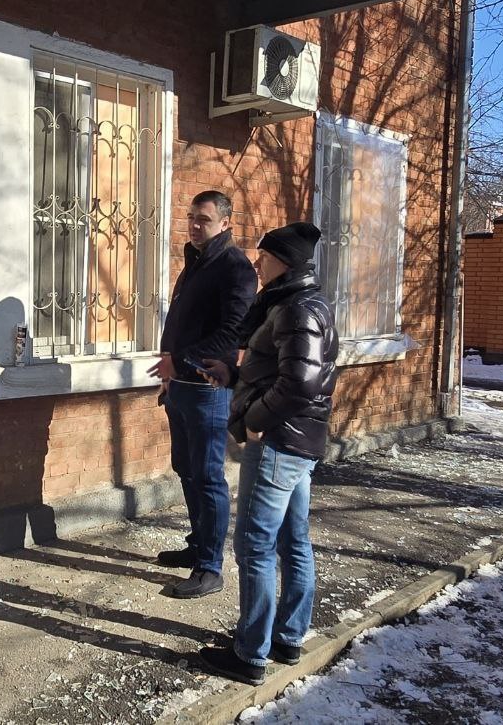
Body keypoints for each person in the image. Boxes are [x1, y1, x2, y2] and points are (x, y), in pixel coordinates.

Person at [196, 222, 338, 686]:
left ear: (286, 262)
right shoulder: (292, 304)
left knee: (255, 545)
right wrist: (233, 376)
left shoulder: (298, 309)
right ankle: (288, 637)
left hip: (278, 441)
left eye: (265, 256)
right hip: (294, 440)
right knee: (293, 540)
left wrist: (254, 420)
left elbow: (300, 384)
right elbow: (280, 372)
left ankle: (250, 654)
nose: (257, 262)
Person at [148, 190, 257, 599]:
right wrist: (169, 372)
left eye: (204, 219)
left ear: (225, 223)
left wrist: (179, 361)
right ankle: (198, 546)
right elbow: (180, 324)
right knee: (186, 469)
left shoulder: (234, 267)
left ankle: (210, 568)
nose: (194, 225)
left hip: (208, 390)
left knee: (209, 476)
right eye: (192, 216)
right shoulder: (196, 260)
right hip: (180, 387)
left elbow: (233, 332)